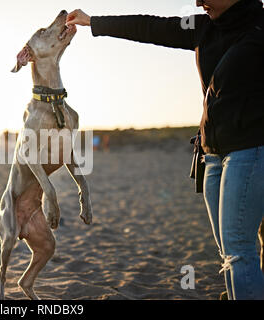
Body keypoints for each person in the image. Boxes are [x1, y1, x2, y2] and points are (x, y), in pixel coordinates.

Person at [66, 0, 264, 300]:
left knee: (238, 248)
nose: (198, 2)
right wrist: (95, 22)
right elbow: (151, 27)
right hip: (212, 156)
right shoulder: (203, 28)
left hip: (249, 152)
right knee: (230, 251)